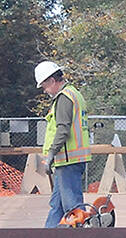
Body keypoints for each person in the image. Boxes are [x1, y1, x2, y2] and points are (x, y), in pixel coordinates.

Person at [35, 61, 91, 228]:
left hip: (68, 160)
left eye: (44, 86)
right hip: (69, 160)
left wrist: (51, 153)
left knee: (73, 208)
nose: (45, 91)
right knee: (57, 206)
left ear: (52, 80)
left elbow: (62, 129)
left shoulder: (64, 98)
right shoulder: (75, 94)